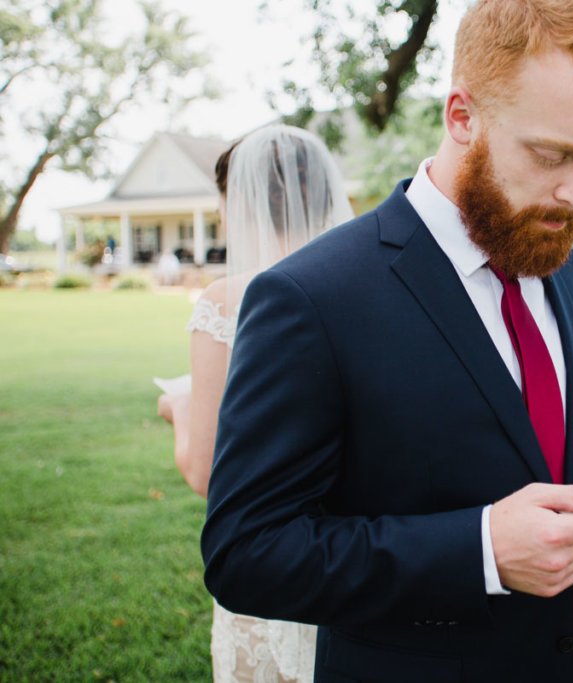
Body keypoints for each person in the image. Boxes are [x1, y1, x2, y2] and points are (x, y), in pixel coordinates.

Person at [201, 1, 573, 681]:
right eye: (553, 153)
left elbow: (557, 441)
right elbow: (247, 552)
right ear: (462, 117)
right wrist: (479, 550)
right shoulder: (313, 297)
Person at [158, 124, 354, 682]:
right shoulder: (363, 284)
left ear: (236, 200)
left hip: (273, 558)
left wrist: (179, 408)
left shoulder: (228, 299)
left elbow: (206, 472)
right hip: (354, 561)